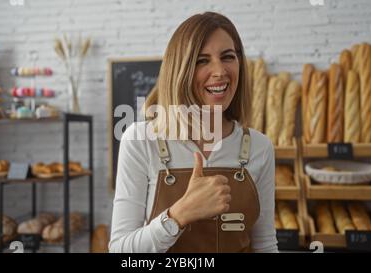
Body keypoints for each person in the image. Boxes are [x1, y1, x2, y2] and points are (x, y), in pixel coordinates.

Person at [109, 12, 277, 253]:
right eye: (202, 60)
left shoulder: (260, 147)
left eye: (228, 57)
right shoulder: (141, 141)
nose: (219, 71)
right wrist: (179, 214)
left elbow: (265, 245)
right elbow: (120, 251)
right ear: (180, 70)